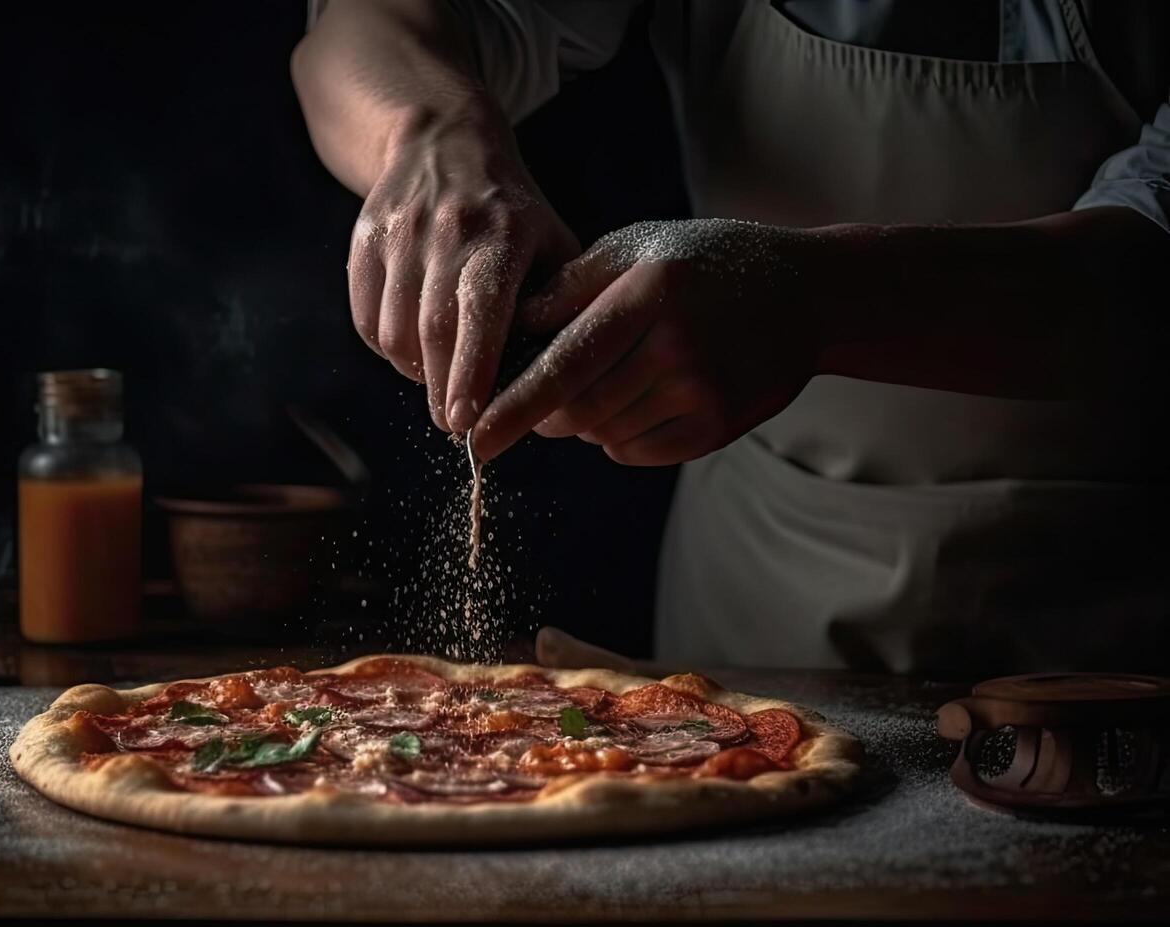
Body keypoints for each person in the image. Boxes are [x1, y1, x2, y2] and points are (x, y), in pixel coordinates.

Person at [292, 1, 1170, 673]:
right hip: (760, 604)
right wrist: (428, 131)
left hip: (1125, 614)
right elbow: (359, 29)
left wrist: (815, 301)